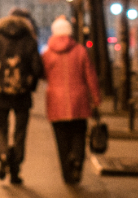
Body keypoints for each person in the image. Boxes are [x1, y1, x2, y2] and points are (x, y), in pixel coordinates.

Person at [0, 7, 43, 185]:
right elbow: (38, 69)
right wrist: (31, 85)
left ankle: (3, 155)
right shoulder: (30, 40)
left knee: (0, 128)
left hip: (0, 94)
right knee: (20, 132)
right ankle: (16, 168)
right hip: (22, 95)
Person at [42, 16, 100, 184]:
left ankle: (67, 174)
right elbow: (90, 76)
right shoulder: (80, 51)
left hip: (55, 102)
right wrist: (96, 98)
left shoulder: (47, 54)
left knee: (61, 140)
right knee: (79, 134)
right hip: (79, 101)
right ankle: (77, 159)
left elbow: (44, 75)